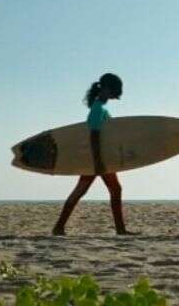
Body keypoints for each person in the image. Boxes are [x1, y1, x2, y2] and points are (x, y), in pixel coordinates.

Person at [52, 74, 129, 236]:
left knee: (90, 190)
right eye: (113, 93)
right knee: (109, 189)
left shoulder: (99, 108)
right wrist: (98, 162)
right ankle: (120, 230)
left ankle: (59, 227)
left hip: (98, 158)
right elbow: (94, 137)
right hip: (96, 159)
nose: (113, 97)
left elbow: (107, 137)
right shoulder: (97, 109)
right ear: (107, 90)